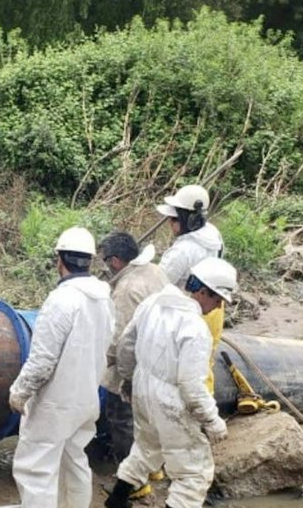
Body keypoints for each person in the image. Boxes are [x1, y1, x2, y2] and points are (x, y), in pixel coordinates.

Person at [106, 257, 237, 508]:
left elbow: (126, 344)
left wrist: (129, 379)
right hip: (172, 403)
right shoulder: (196, 329)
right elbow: (191, 387)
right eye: (217, 299)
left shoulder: (153, 303)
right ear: (201, 291)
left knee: (145, 448)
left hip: (143, 391)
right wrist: (212, 421)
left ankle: (116, 501)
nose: (218, 306)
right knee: (192, 474)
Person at [8, 227, 115, 507]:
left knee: (36, 468)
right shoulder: (104, 300)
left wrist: (20, 391)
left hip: (55, 404)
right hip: (86, 400)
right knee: (74, 461)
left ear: (60, 260)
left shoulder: (61, 300)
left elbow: (42, 359)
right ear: (89, 261)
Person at [98, 233, 169, 466]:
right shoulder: (154, 271)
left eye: (106, 261)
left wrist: (99, 364)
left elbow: (119, 340)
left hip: (133, 364)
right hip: (159, 357)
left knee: (121, 419)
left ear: (116, 260)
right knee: (147, 419)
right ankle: (153, 465)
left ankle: (128, 474)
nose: (106, 266)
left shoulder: (127, 289)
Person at [156, 184, 225, 394]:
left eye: (174, 219)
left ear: (189, 219)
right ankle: (206, 402)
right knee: (204, 363)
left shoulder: (184, 250)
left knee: (180, 362)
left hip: (189, 311)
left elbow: (159, 282)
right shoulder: (213, 236)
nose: (170, 223)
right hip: (215, 310)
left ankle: (191, 407)